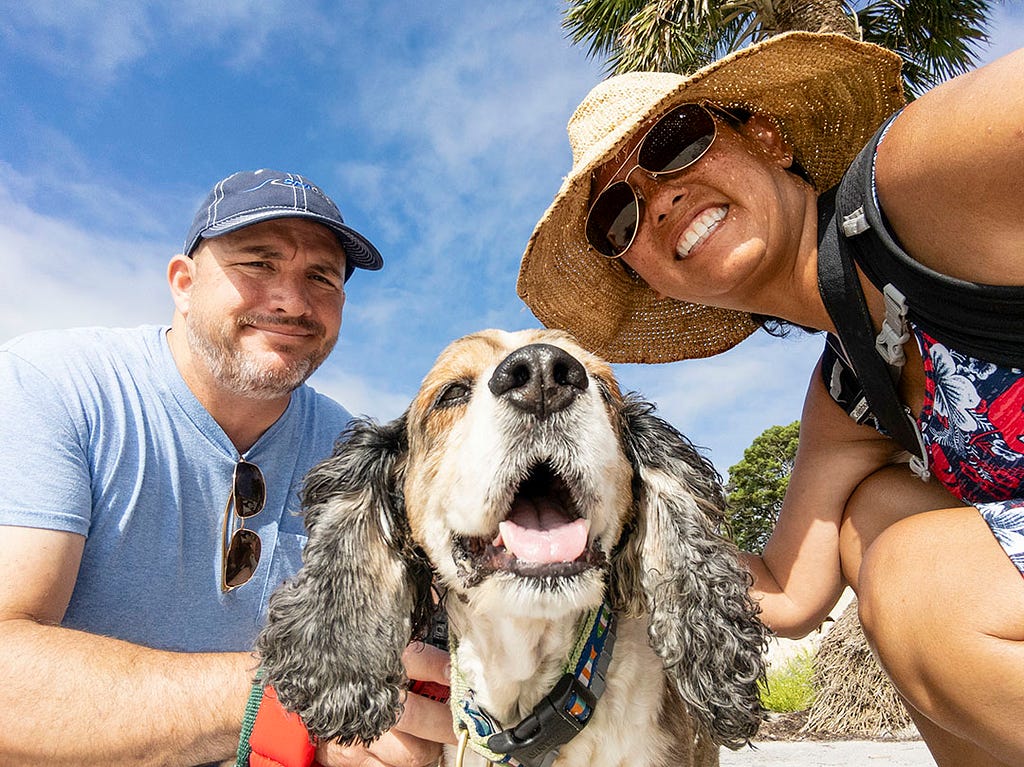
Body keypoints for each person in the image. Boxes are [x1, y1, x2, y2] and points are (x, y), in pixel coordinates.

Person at [517, 31, 1024, 767]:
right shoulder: (851, 390)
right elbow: (786, 592)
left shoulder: (916, 180)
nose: (659, 200)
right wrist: (594, 522)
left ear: (767, 137)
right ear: (649, 278)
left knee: (914, 577)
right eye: (619, 217)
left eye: (676, 142)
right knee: (869, 520)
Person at [0, 169, 454, 767]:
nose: (292, 300)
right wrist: (293, 703)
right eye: (257, 264)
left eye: (322, 276)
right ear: (183, 283)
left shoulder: (352, 451)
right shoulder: (55, 387)